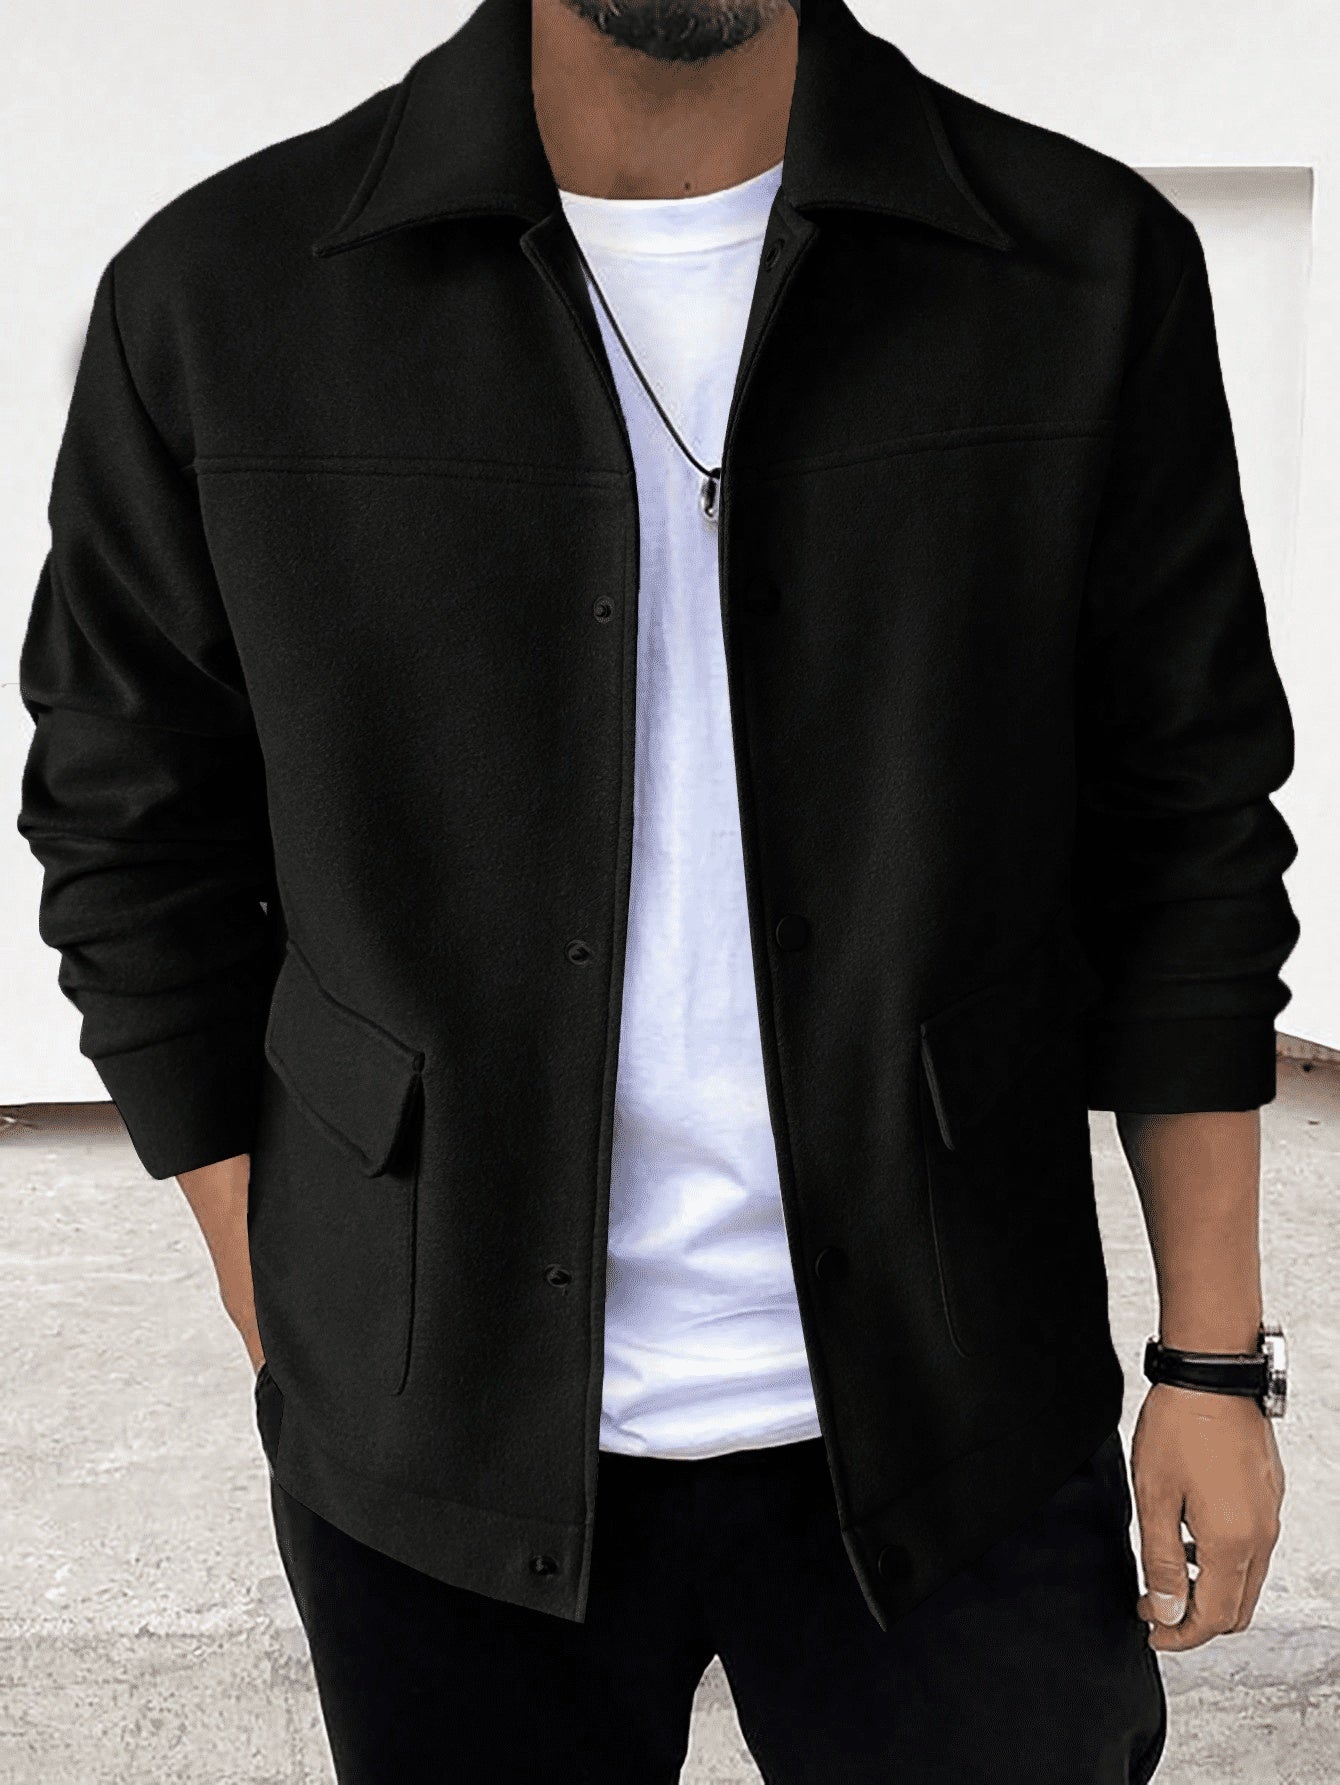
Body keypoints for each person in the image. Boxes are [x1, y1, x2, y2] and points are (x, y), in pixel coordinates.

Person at [15, 0, 1297, 1777]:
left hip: (962, 1414)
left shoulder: (1077, 270)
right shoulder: (223, 297)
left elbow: (1189, 827)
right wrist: (292, 1289)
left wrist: (1211, 1361)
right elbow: (127, 832)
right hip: (432, 1455)